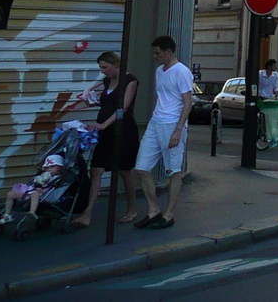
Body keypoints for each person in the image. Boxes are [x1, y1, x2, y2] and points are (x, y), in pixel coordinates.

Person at [71, 51, 139, 227]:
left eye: (105, 68)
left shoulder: (130, 80)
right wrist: (91, 102)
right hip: (105, 130)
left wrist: (104, 124)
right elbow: (107, 102)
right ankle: (87, 214)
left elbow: (122, 108)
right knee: (96, 170)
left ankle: (132, 209)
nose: (103, 72)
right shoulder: (107, 81)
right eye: (101, 68)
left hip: (122, 130)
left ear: (116, 65)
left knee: (124, 171)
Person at [134, 36, 194, 230]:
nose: (155, 56)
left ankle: (169, 215)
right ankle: (153, 210)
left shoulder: (182, 72)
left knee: (173, 171)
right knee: (142, 168)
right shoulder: (160, 71)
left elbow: (187, 102)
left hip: (172, 124)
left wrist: (178, 130)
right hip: (156, 121)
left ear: (169, 52)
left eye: (157, 53)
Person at [0, 155, 67, 225]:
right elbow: (35, 182)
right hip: (29, 192)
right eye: (47, 167)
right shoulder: (44, 174)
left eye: (52, 167)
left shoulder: (58, 179)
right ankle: (7, 215)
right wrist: (39, 179)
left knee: (35, 194)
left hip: (43, 195)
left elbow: (52, 189)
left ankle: (32, 212)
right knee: (10, 194)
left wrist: (41, 189)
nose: (49, 169)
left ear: (60, 167)